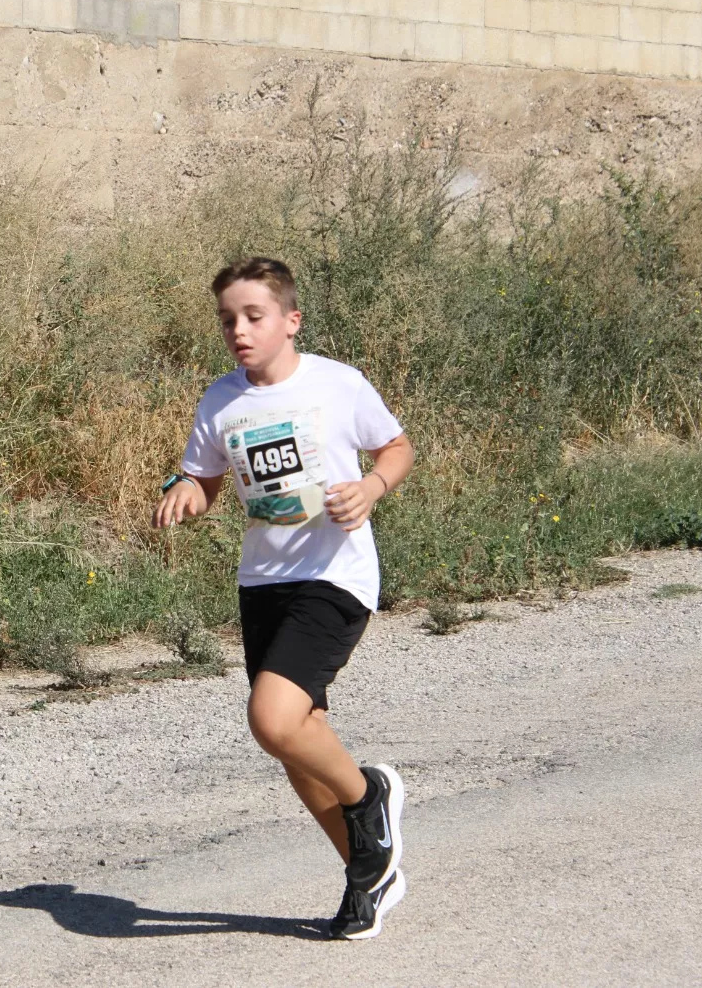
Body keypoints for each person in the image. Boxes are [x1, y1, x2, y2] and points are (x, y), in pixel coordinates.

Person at [153, 256, 416, 940]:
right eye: (227, 320)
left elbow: (395, 448)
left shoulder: (337, 384)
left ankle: (370, 796)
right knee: (300, 748)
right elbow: (203, 480)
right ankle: (371, 876)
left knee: (273, 719)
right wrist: (185, 492)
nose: (238, 330)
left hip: (335, 574)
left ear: (290, 320)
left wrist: (372, 488)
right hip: (263, 582)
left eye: (253, 316)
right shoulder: (220, 401)